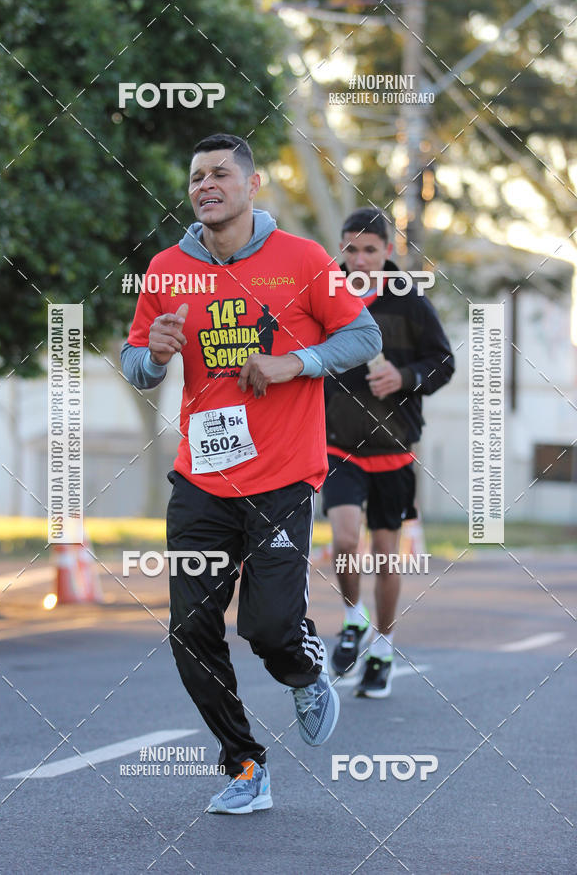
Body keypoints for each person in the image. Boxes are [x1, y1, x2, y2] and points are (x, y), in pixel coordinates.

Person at [121, 136, 381, 813]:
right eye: (196, 176)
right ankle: (244, 766)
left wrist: (293, 364)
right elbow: (137, 362)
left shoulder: (301, 260)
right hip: (201, 480)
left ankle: (302, 670)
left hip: (282, 478)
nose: (206, 185)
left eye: (220, 174)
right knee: (190, 632)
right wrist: (152, 355)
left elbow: (364, 338)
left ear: (252, 184)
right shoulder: (167, 267)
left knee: (266, 628)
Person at [322, 207, 454, 698]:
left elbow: (442, 362)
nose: (358, 261)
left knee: (384, 554)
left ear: (388, 251)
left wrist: (404, 377)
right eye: (350, 249)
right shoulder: (325, 294)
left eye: (369, 251)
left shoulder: (410, 302)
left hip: (395, 450)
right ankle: (353, 619)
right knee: (343, 538)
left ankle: (383, 646)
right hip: (338, 446)